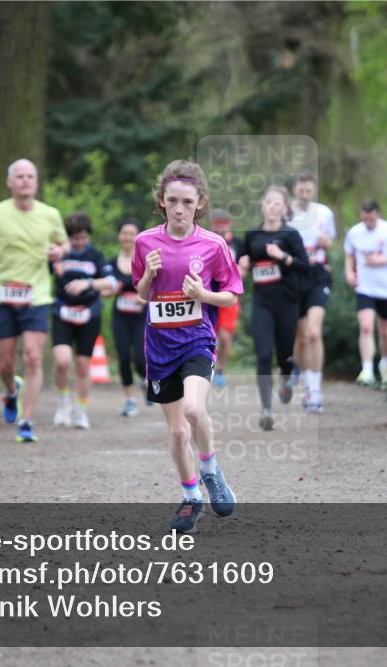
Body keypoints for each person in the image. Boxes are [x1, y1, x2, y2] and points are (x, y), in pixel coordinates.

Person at [132, 160, 244, 533]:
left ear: (201, 203)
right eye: (172, 201)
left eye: (187, 202)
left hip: (196, 339)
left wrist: (203, 294)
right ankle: (191, 497)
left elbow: (230, 296)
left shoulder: (213, 245)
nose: (179, 208)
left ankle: (210, 470)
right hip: (159, 346)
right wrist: (148, 274)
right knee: (178, 432)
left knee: (195, 409)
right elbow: (142, 294)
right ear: (162, 202)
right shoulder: (145, 241)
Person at [0, 159, 68, 443]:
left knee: (33, 356)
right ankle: (12, 391)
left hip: (36, 294)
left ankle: (27, 419)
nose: (25, 181)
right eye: (19, 176)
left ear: (36, 182)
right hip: (1, 294)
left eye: (30, 176)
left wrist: (58, 251)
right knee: (4, 363)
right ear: (9, 182)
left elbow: (63, 244)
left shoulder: (50, 214)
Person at [239, 186, 309, 430]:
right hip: (262, 303)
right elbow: (243, 265)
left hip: (287, 302)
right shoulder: (252, 235)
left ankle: (288, 373)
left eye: (277, 203)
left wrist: (283, 257)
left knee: (284, 355)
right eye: (268, 202)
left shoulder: (291, 235)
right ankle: (266, 409)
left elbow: (305, 266)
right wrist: (243, 267)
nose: (272, 206)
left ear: (285, 208)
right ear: (262, 205)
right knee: (263, 354)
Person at [50, 213, 118, 430]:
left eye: (83, 237)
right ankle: (64, 402)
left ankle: (80, 410)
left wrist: (87, 283)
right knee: (62, 361)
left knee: (82, 365)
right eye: (75, 238)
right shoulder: (58, 255)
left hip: (89, 314)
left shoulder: (95, 256)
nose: (80, 242)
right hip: (62, 312)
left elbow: (112, 282)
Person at [343, 200, 387, 387]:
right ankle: (367, 369)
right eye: (365, 219)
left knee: (385, 330)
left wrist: (382, 260)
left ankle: (386, 364)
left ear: (378, 215)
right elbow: (349, 255)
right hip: (364, 288)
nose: (368, 223)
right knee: (365, 326)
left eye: (371, 219)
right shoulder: (355, 233)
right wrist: (349, 272)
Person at [289, 171, 336, 413]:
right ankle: (307, 385)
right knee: (302, 337)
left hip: (318, 274)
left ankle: (316, 390)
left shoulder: (324, 213)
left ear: (314, 190)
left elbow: (330, 240)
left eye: (309, 190)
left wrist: (325, 242)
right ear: (295, 189)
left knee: (314, 334)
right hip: (294, 276)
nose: (305, 193)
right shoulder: (286, 213)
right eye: (301, 189)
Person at [106, 218, 147, 417]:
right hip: (120, 316)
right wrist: (111, 291)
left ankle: (146, 381)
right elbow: (104, 291)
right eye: (125, 233)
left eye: (132, 233)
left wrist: (144, 299)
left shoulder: (145, 261)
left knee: (140, 357)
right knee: (123, 357)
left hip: (142, 316)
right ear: (119, 236)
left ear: (139, 237)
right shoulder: (111, 263)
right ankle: (130, 400)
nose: (128, 237)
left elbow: (157, 289)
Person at [209, 209, 246, 387]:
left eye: (222, 227)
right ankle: (204, 367)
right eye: (216, 226)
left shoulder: (237, 244)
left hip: (230, 295)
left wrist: (238, 273)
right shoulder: (207, 241)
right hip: (208, 295)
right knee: (208, 334)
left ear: (229, 225)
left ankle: (220, 371)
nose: (219, 230)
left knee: (224, 336)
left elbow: (245, 267)